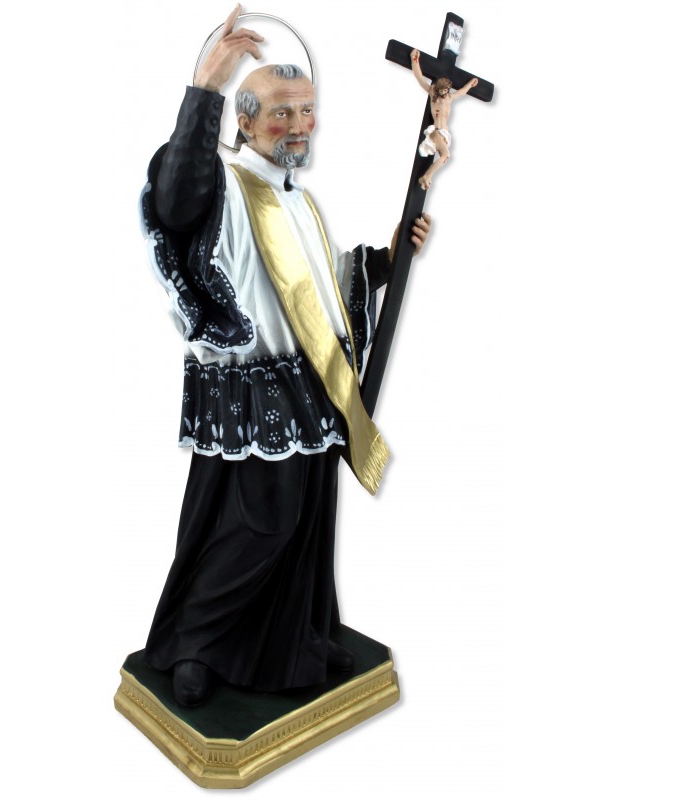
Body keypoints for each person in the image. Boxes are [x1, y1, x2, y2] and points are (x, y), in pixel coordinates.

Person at [140, 5, 431, 707]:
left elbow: (320, 282)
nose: (300, 125)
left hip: (310, 385)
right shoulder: (226, 187)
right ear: (242, 121)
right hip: (254, 391)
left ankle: (294, 639)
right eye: (281, 112)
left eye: (306, 109)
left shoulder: (297, 198)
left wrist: (386, 260)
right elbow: (177, 202)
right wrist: (204, 89)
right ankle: (195, 646)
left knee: (305, 523)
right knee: (254, 527)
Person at [411, 47, 478, 190]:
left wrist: (470, 85)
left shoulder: (449, 97)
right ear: (438, 89)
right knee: (446, 155)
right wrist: (414, 60)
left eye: (446, 90)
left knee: (445, 158)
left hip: (445, 133)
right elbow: (419, 77)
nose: (444, 92)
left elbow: (461, 92)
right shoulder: (433, 95)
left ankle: (426, 178)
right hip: (437, 131)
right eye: (442, 90)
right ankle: (426, 177)